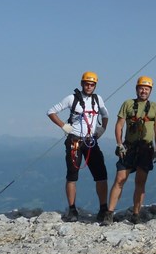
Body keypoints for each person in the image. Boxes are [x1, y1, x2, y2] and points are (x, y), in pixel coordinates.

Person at [47, 71, 110, 223]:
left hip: (90, 140)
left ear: (95, 86)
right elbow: (51, 111)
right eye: (87, 84)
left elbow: (105, 114)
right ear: (82, 84)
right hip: (74, 140)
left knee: (101, 174)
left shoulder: (97, 99)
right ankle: (72, 209)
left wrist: (102, 129)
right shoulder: (71, 98)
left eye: (92, 84)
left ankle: (103, 209)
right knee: (72, 175)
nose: (89, 87)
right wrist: (63, 126)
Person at [102, 76, 156, 225]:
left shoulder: (154, 107)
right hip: (129, 146)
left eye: (147, 89)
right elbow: (119, 125)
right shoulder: (128, 104)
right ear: (137, 89)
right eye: (141, 88)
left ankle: (136, 214)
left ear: (150, 91)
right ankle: (109, 213)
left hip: (145, 148)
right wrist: (119, 143)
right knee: (120, 179)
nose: (144, 91)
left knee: (140, 182)